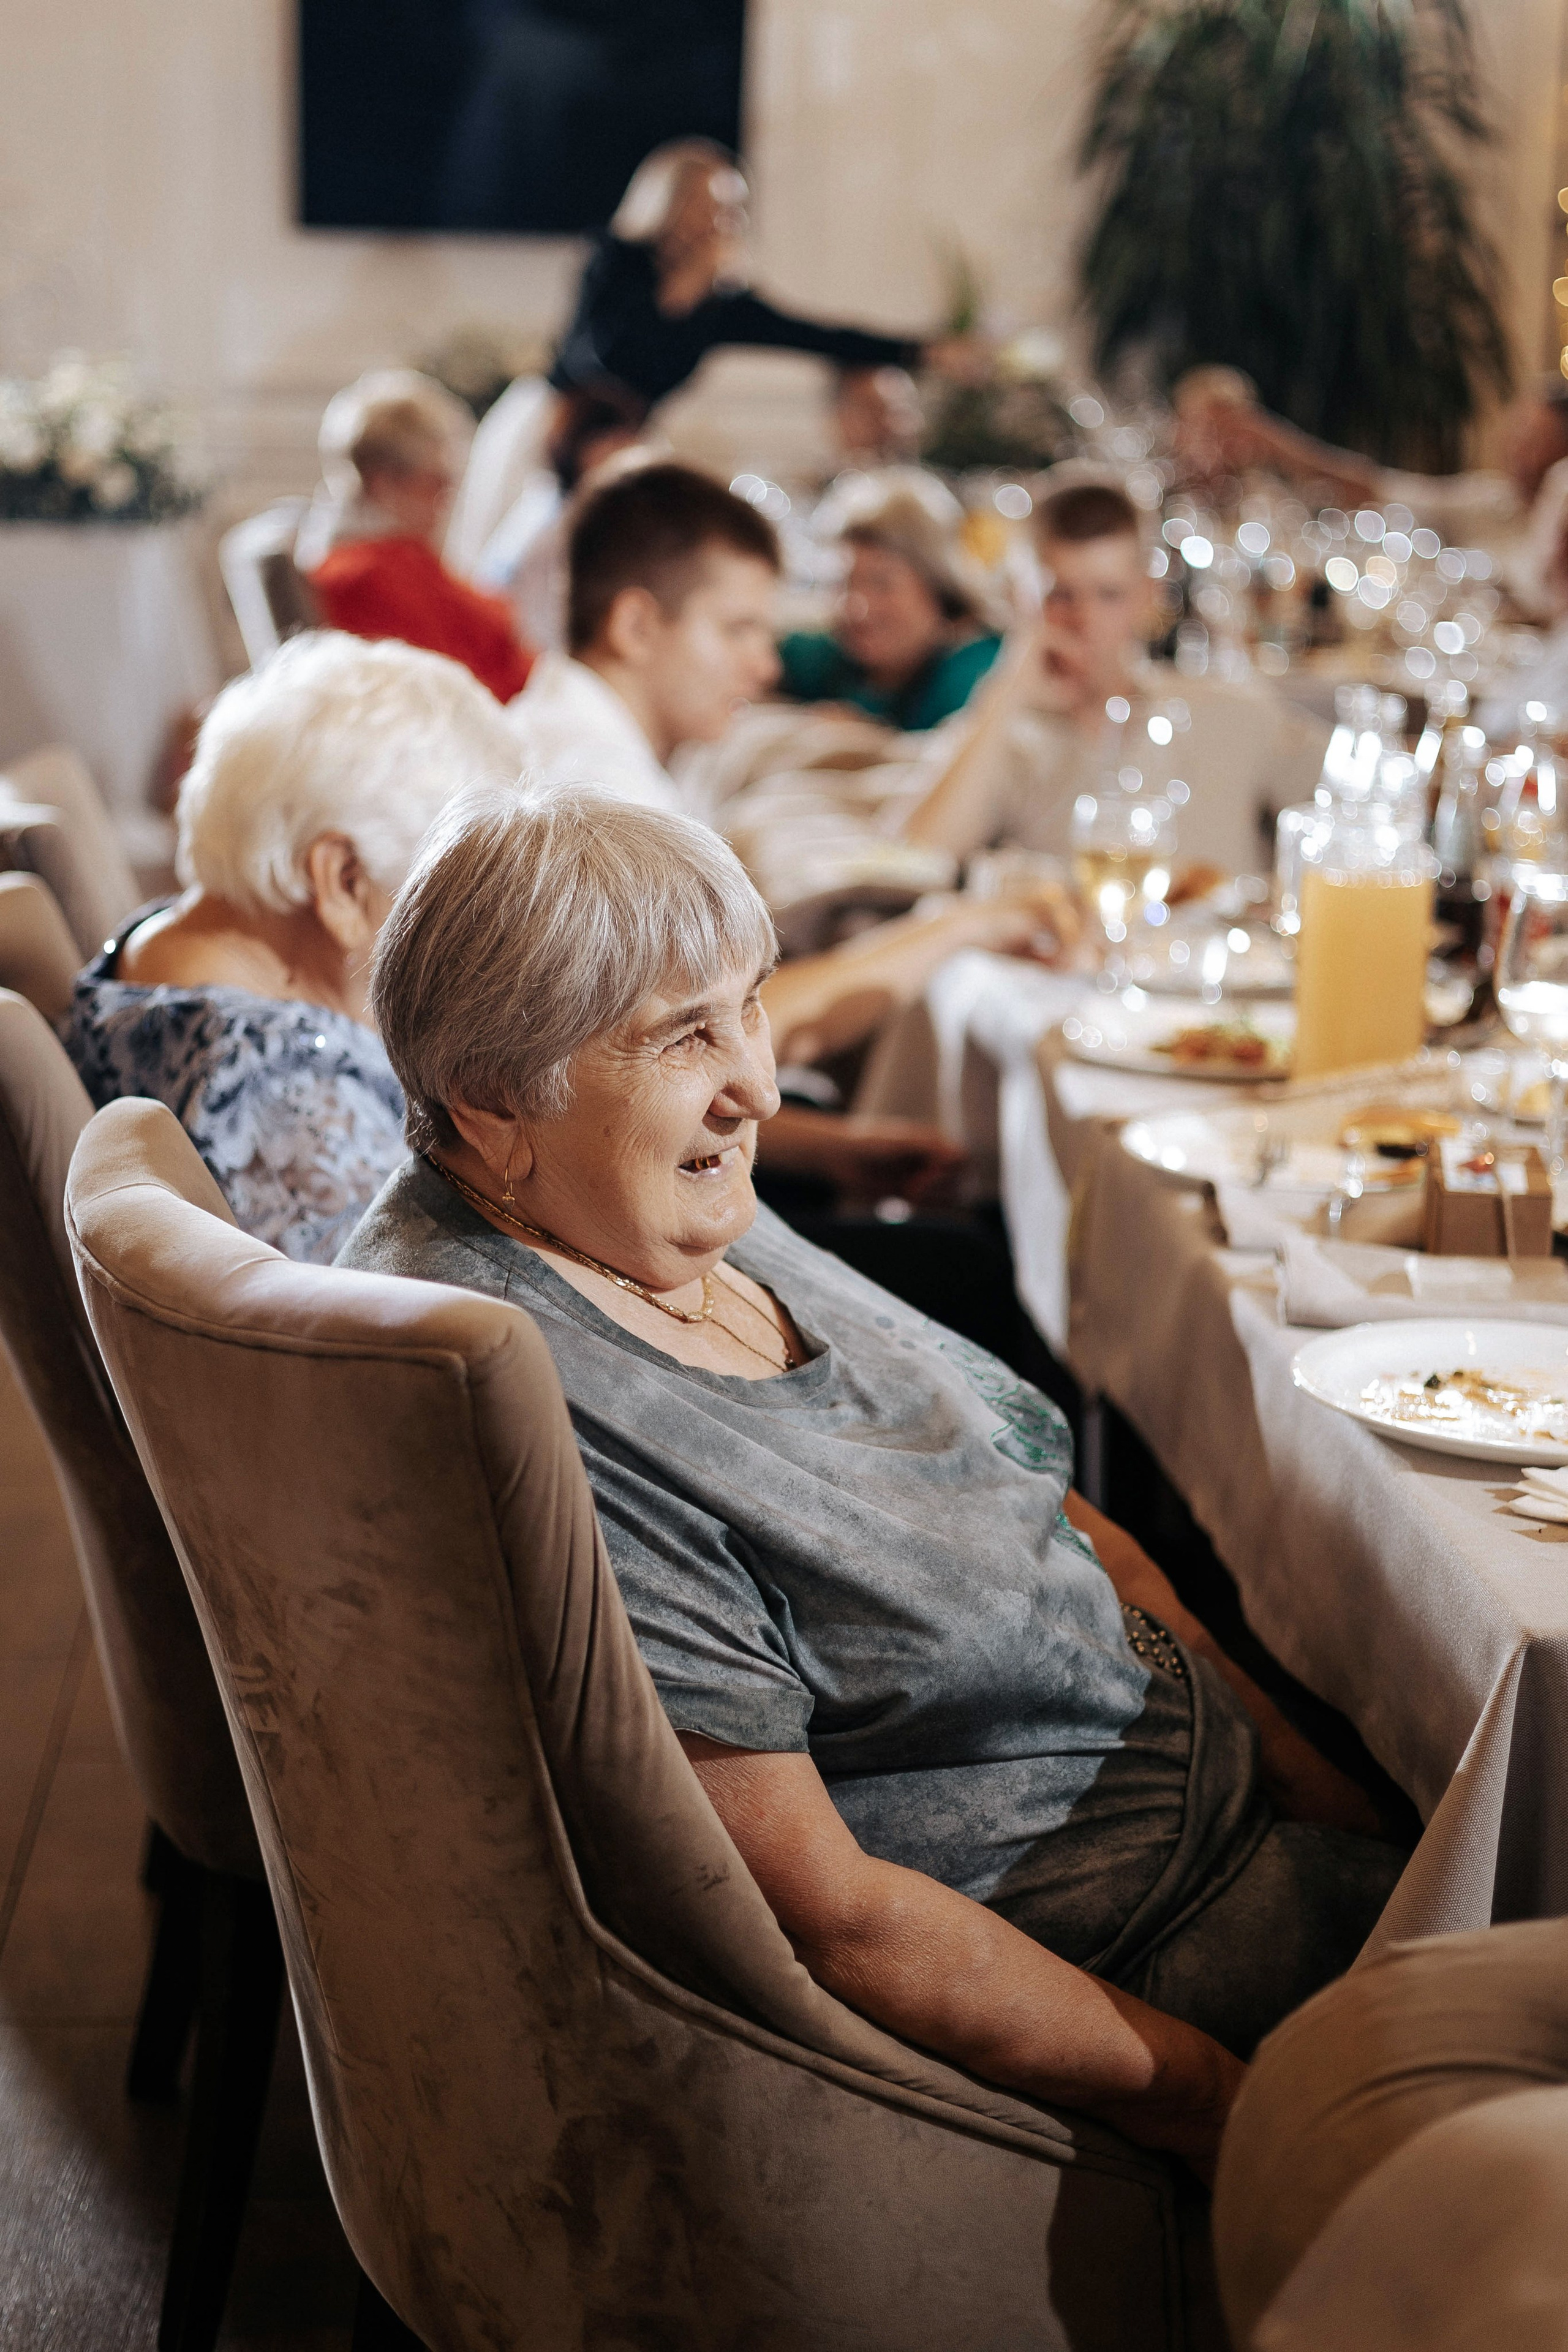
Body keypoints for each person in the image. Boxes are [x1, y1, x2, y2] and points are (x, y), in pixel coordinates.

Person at [341, 783, 1406, 2176]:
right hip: (1138, 1953)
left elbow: (1047, 1509)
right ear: (489, 1102)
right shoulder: (534, 1401)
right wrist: (1225, 2110)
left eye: (749, 1006)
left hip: (1223, 1808)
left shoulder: (622, 1203)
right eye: (682, 1036)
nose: (760, 1086)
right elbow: (827, 1912)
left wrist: (1325, 1786)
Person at [507, 458, 1073, 1234]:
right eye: (738, 629)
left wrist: (833, 1150)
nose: (766, 665)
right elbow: (714, 1041)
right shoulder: (597, 805)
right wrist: (964, 926)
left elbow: (633, 1069)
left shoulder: (568, 737)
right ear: (637, 626)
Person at [66, 633, 521, 1262]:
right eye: (454, 904)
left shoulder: (173, 944)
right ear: (341, 881)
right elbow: (410, 1325)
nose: (474, 943)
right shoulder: (283, 1102)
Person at [900, 476, 1329, 873]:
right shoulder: (1007, 738)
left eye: (1109, 595)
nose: (1084, 621)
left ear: (1148, 596)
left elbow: (1361, 808)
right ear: (1020, 598)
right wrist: (1007, 690)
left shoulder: (1231, 713)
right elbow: (917, 859)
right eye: (1060, 595)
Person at [546, 139, 982, 429]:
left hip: (619, 442)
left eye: (734, 211)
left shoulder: (720, 307)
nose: (725, 224)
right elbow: (606, 357)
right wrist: (693, 281)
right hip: (554, 425)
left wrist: (925, 351)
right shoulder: (616, 259)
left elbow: (818, 336)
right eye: (711, 207)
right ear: (672, 204)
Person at [1180, 369, 1568, 619]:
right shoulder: (1488, 502)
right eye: (1517, 435)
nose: (1515, 451)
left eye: (1534, 442)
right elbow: (1376, 489)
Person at [300, 371, 535, 701]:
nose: (445, 501)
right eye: (434, 484)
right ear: (383, 484)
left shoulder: (370, 561)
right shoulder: (365, 577)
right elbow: (459, 686)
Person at [778, 469, 1008, 731]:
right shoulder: (833, 657)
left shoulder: (977, 671)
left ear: (939, 587)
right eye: (843, 584)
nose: (857, 608)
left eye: (881, 584)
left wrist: (865, 735)